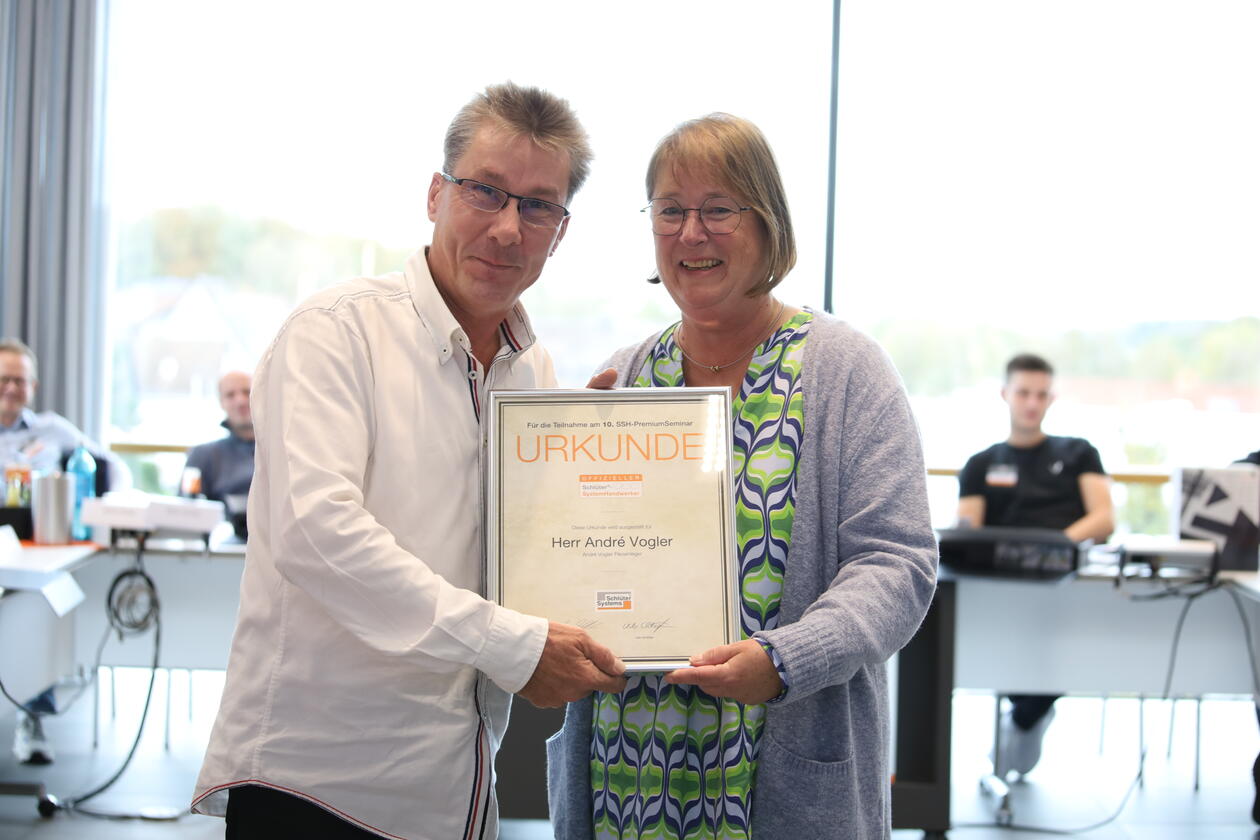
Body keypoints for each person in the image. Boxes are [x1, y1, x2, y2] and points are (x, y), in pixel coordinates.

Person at [191, 83, 627, 839]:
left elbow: (519, 549)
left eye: (537, 206)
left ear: (560, 231)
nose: (505, 228)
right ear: (436, 194)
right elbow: (317, 536)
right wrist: (515, 646)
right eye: (484, 191)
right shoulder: (335, 332)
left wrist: (598, 475)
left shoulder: (533, 373)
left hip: (456, 784)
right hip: (321, 786)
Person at [546, 114, 938, 839]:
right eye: (670, 210)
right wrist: (560, 491)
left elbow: (899, 562)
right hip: (625, 775)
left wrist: (785, 659)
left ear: (767, 223)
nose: (691, 233)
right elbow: (581, 563)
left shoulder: (845, 371)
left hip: (782, 765)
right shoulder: (626, 378)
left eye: (718, 209)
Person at [956, 352, 1114, 779]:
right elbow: (969, 531)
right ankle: (1026, 712)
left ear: (1051, 399)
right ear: (1006, 394)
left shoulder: (1079, 452)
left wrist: (1053, 546)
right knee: (1012, 658)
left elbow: (1103, 518)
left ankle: (1027, 715)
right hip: (999, 596)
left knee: (1062, 657)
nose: (1031, 402)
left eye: (1041, 394)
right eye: (1023, 392)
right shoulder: (980, 464)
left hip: (1066, 589)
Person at [1, 336, 130, 765]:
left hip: (41, 551)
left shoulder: (52, 429)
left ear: (33, 387)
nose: (11, 389)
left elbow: (110, 468)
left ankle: (32, 716)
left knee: (39, 612)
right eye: (4, 379)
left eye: (19, 380)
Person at [182, 371, 254, 537]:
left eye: (247, 392)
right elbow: (185, 513)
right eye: (230, 395)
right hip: (220, 550)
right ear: (221, 403)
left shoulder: (286, 452)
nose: (241, 401)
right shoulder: (202, 456)